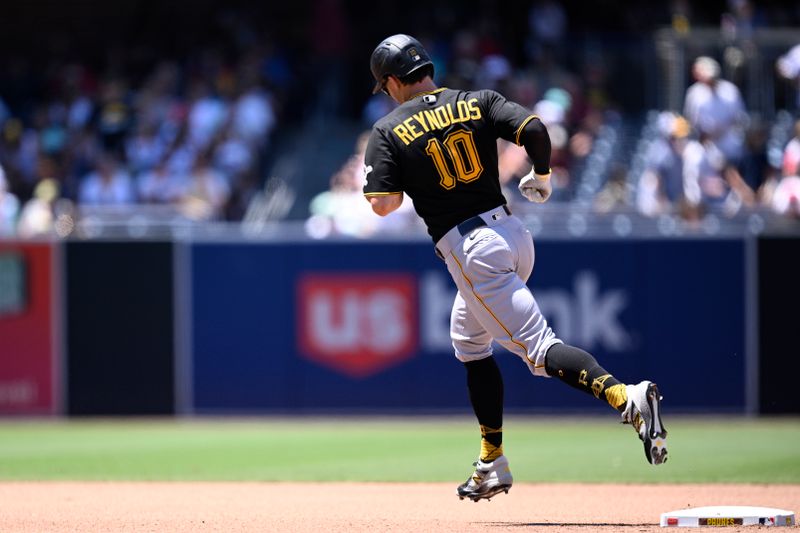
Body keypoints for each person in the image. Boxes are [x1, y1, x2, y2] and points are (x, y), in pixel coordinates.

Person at [362, 34, 668, 503]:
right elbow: (536, 131)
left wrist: (404, 175)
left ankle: (626, 397)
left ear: (390, 82)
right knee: (468, 340)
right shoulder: (474, 99)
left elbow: (383, 204)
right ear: (426, 69)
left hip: (472, 249)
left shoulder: (389, 128)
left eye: (384, 87)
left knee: (541, 352)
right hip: (513, 235)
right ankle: (492, 461)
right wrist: (540, 175)